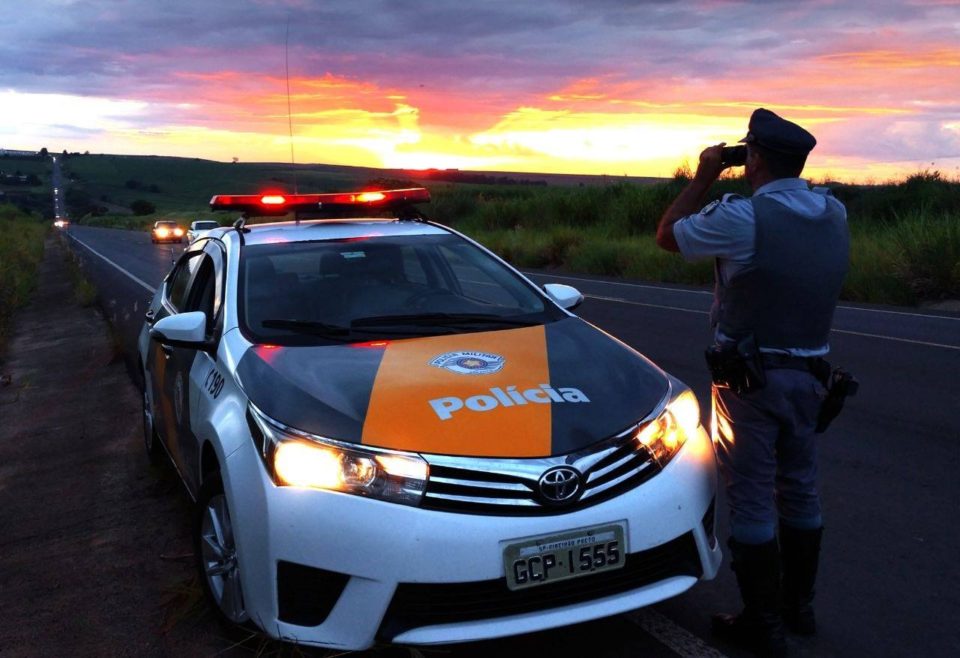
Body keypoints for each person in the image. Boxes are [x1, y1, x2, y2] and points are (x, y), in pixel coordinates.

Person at [655, 108, 849, 657]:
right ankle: (798, 609)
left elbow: (668, 235)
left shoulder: (744, 217)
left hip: (751, 381)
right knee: (802, 489)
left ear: (754, 157)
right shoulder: (834, 211)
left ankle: (762, 624)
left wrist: (705, 175)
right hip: (814, 375)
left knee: (752, 498)